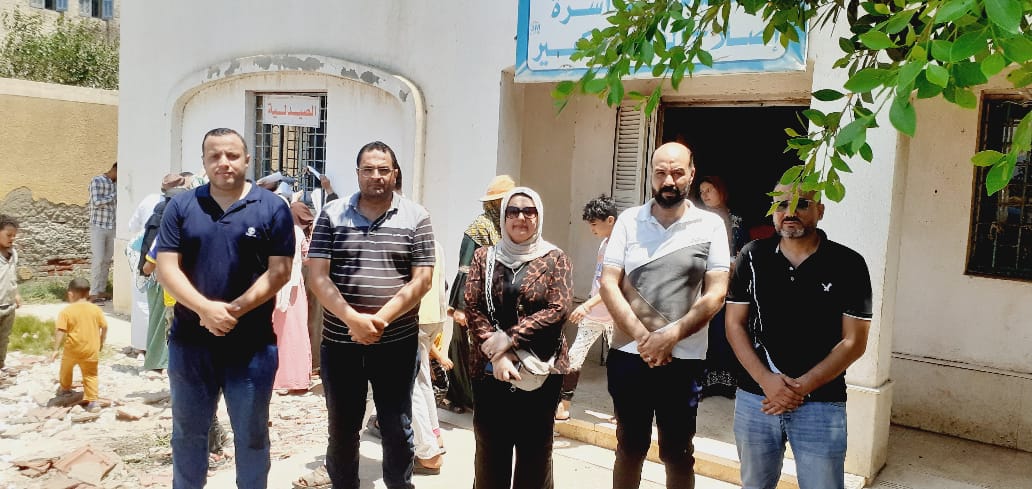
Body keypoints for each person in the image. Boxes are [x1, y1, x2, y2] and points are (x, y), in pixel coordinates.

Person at [156, 127, 295, 489]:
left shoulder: (272, 208)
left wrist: (233, 310)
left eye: (232, 155)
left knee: (251, 435)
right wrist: (205, 309)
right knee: (188, 434)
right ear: (204, 162)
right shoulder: (181, 206)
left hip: (251, 346)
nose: (224, 163)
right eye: (214, 156)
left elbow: (280, 271)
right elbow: (166, 268)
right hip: (190, 344)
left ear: (247, 159)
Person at [599, 142, 730, 489]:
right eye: (660, 173)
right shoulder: (629, 221)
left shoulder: (711, 225)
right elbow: (608, 283)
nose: (668, 180)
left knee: (677, 452)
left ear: (691, 174)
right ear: (651, 175)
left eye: (677, 172)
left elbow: (716, 293)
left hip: (684, 359)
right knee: (629, 448)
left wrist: (671, 336)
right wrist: (645, 338)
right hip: (630, 355)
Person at [306, 141, 434, 489]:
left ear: (395, 174)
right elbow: (318, 276)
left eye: (383, 169)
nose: (376, 176)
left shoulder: (416, 216)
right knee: (342, 427)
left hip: (396, 343)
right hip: (340, 343)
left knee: (397, 425)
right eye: (368, 169)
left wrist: (379, 321)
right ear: (358, 173)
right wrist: (353, 320)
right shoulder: (331, 214)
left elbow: (422, 279)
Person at [725, 184, 872, 489]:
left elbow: (854, 341)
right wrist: (767, 381)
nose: (789, 212)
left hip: (821, 402)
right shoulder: (751, 257)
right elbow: (734, 325)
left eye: (802, 204)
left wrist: (800, 388)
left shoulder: (849, 264)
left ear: (820, 210)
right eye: (781, 205)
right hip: (757, 397)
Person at [464, 187, 572, 489]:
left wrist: (510, 340)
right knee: (490, 455)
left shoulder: (555, 259)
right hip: (490, 372)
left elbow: (558, 310)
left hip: (540, 371)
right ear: (503, 217)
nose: (520, 217)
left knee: (535, 456)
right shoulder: (484, 257)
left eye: (529, 211)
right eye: (513, 211)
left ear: (539, 216)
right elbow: (472, 306)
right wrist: (498, 355)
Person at [445, 174, 515, 414]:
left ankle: (483, 397)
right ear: (496, 203)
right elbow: (465, 269)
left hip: (494, 300)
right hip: (472, 300)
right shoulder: (478, 229)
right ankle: (458, 396)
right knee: (464, 348)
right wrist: (460, 307)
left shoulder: (503, 228)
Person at [555, 195, 617, 422]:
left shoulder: (623, 246)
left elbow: (615, 286)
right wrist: (591, 303)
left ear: (610, 220)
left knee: (619, 365)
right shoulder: (604, 243)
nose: (592, 229)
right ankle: (563, 406)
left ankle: (622, 412)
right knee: (574, 357)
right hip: (595, 313)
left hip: (616, 316)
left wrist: (587, 305)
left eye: (594, 224)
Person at [696, 175, 749, 399]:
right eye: (701, 192)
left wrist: (736, 262)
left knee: (727, 331)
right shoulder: (699, 221)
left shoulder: (737, 220)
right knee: (706, 332)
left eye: (709, 190)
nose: (705, 195)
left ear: (721, 191)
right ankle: (705, 384)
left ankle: (727, 384)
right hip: (706, 284)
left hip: (732, 285)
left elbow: (745, 250)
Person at [272, 202, 315, 393]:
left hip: (276, 287)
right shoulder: (298, 233)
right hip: (294, 288)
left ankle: (280, 379)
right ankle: (297, 378)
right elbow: (309, 258)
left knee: (280, 332)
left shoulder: (274, 231)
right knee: (296, 330)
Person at [51, 278, 108, 413]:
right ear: (88, 293)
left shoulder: (66, 311)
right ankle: (93, 402)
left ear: (70, 294)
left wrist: (55, 349)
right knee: (91, 374)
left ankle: (65, 389)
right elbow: (104, 327)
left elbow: (60, 330)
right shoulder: (95, 309)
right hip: (91, 349)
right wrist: (101, 341)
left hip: (72, 348)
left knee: (66, 368)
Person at [88, 162, 117, 303]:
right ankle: (93, 292)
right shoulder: (97, 180)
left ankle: (101, 290)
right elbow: (96, 202)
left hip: (112, 227)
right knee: (98, 259)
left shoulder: (117, 184)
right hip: (98, 226)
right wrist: (114, 196)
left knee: (106, 261)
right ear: (115, 169)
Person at [0, 214, 21, 370]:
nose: (12, 238)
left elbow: (12, 276)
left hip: (9, 305)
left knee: (4, 338)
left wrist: (16, 294)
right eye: (8, 235)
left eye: (14, 235)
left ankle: (0, 365)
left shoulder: (13, 254)